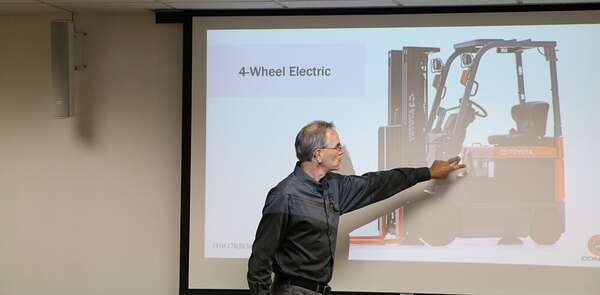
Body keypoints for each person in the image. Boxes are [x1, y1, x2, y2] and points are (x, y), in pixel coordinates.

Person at [247, 121, 465, 295]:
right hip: (291, 291)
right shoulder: (285, 195)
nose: (341, 151)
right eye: (337, 147)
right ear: (317, 155)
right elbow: (260, 258)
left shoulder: (334, 187)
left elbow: (378, 183)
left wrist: (426, 172)